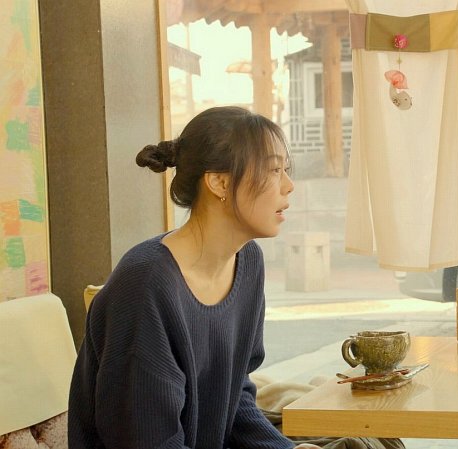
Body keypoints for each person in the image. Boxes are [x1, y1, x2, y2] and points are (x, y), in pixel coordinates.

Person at [68, 106, 316, 449]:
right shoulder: (145, 285)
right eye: (274, 170)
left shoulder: (248, 262)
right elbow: (149, 442)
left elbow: (234, 399)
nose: (289, 186)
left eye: (285, 170)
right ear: (219, 182)